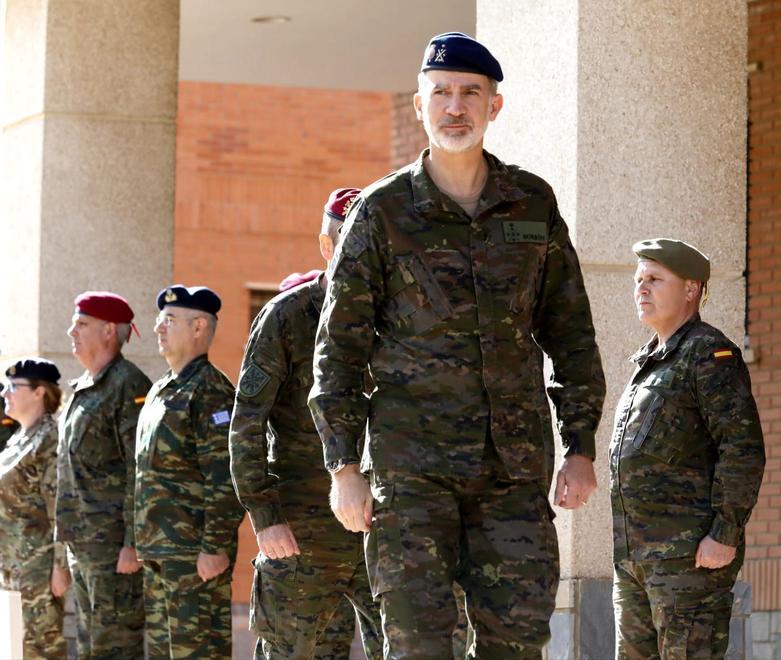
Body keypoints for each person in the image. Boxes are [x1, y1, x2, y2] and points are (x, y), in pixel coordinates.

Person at [308, 32, 606, 658]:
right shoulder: (381, 213)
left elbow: (571, 331)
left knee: (519, 641)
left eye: (470, 93)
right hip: (411, 474)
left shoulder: (532, 203)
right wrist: (344, 467)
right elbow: (339, 350)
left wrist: (579, 446)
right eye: (440, 93)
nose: (455, 107)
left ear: (493, 106)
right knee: (418, 644)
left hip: (513, 473)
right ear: (419, 107)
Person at [230, 188, 382, 660]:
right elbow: (246, 425)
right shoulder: (287, 316)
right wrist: (266, 517)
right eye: (347, 239)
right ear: (326, 244)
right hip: (302, 531)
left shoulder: (399, 316)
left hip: (386, 525)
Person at [610, 238, 765, 659]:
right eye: (639, 279)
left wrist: (724, 532)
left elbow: (742, 447)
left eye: (655, 280)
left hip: (688, 561)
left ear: (691, 289)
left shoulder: (708, 354)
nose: (641, 288)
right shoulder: (648, 362)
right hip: (635, 559)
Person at [135, 284, 241, 657]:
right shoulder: (161, 389)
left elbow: (225, 476)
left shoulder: (211, 391)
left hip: (194, 557)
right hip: (159, 552)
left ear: (199, 327)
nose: (158, 328)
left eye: (169, 320)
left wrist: (214, 546)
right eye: (159, 319)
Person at [56, 291, 150, 659]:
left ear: (110, 331)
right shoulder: (81, 387)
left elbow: (139, 468)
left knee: (116, 647)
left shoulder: (128, 385)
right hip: (83, 544)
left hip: (114, 547)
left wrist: (133, 542)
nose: (71, 332)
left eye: (82, 324)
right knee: (90, 645)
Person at [0, 358, 70, 658]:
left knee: (40, 651)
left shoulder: (49, 440)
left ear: (40, 392)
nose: (5, 393)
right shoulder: (18, 439)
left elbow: (61, 508)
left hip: (37, 572)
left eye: (14, 386)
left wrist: (60, 567)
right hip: (11, 568)